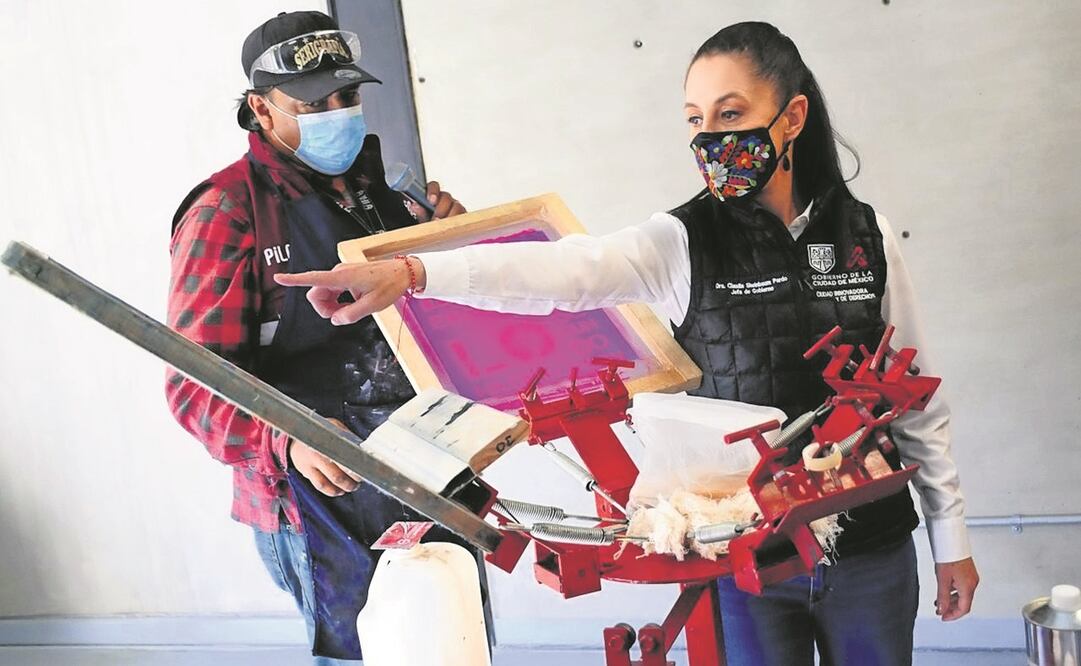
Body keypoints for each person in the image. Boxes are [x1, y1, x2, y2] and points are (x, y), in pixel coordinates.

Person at [276, 21, 980, 666]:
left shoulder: (868, 235)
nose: (710, 137)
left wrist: (951, 543)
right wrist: (414, 272)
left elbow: (916, 396)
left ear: (790, 117)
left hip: (871, 550)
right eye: (695, 120)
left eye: (730, 115)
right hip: (744, 558)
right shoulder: (681, 241)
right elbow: (560, 271)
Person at [165, 10, 470, 664]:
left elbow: (434, 328)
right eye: (313, 103)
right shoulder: (226, 213)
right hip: (319, 502)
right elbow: (194, 389)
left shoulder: (380, 194)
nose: (337, 114)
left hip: (424, 472)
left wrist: (451, 245)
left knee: (456, 644)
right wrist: (288, 439)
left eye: (348, 97)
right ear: (261, 109)